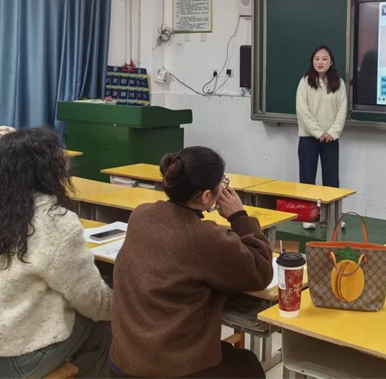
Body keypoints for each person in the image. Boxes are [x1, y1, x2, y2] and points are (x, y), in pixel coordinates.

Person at [0, 128, 113, 379]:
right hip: (8, 364)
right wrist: (120, 306)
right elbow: (92, 300)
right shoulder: (55, 221)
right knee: (100, 325)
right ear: (49, 170)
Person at [110, 146, 272, 379]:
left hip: (125, 362)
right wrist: (239, 216)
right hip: (166, 370)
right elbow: (261, 271)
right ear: (206, 197)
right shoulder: (204, 237)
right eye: (222, 183)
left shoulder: (141, 214)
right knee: (248, 365)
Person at [295, 45, 347, 228]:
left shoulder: (339, 83)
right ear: (312, 61)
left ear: (331, 62)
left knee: (331, 180)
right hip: (308, 138)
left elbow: (342, 110)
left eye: (324, 59)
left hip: (331, 139)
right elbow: (303, 111)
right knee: (307, 178)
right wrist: (318, 132)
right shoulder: (305, 82)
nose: (320, 62)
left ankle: (331, 218)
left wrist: (331, 133)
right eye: (317, 59)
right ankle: (308, 218)